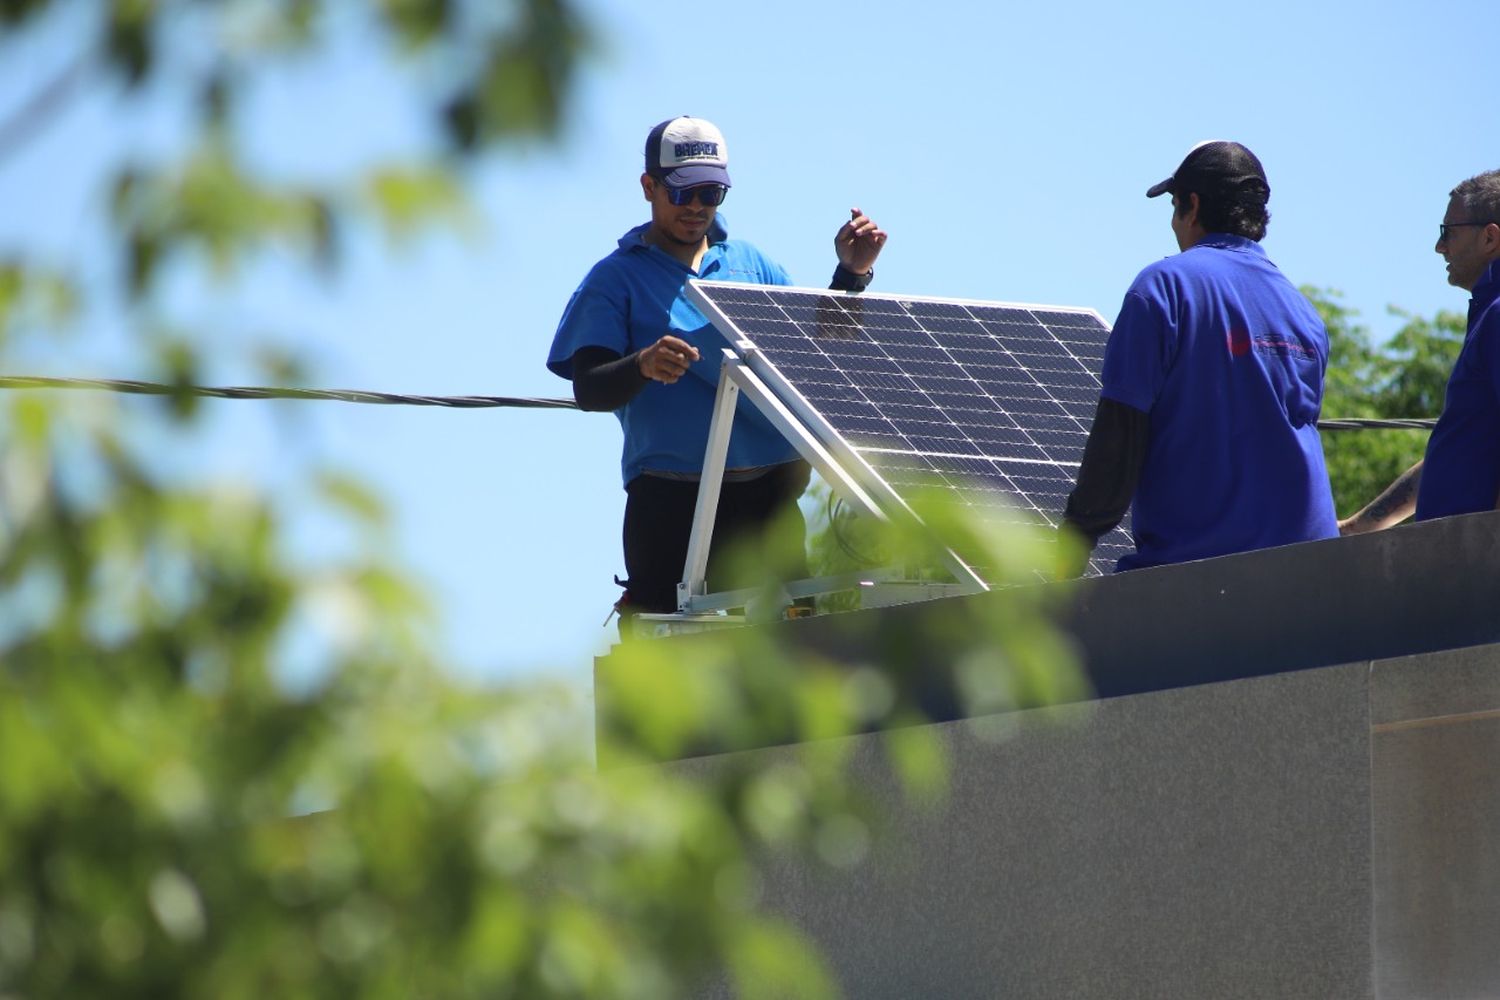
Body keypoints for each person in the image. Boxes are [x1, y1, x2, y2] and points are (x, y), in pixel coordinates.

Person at [547, 115, 887, 621]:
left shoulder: (751, 266)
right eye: (683, 194)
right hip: (669, 507)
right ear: (649, 187)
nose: (697, 209)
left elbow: (814, 359)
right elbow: (589, 388)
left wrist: (851, 274)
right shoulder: (615, 279)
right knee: (676, 670)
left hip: (767, 505)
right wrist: (641, 364)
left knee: (796, 660)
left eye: (711, 194)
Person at [1061, 140, 1338, 572]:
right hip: (1314, 569)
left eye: (1174, 207)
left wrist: (1074, 540)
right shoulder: (1304, 313)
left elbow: (1119, 436)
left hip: (1198, 580)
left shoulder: (1164, 288)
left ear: (1192, 205)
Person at [1338, 169, 1500, 534]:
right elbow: (1455, 456)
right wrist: (1356, 526)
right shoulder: (1488, 313)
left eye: (1449, 232)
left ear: (1490, 238)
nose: (1439, 247)